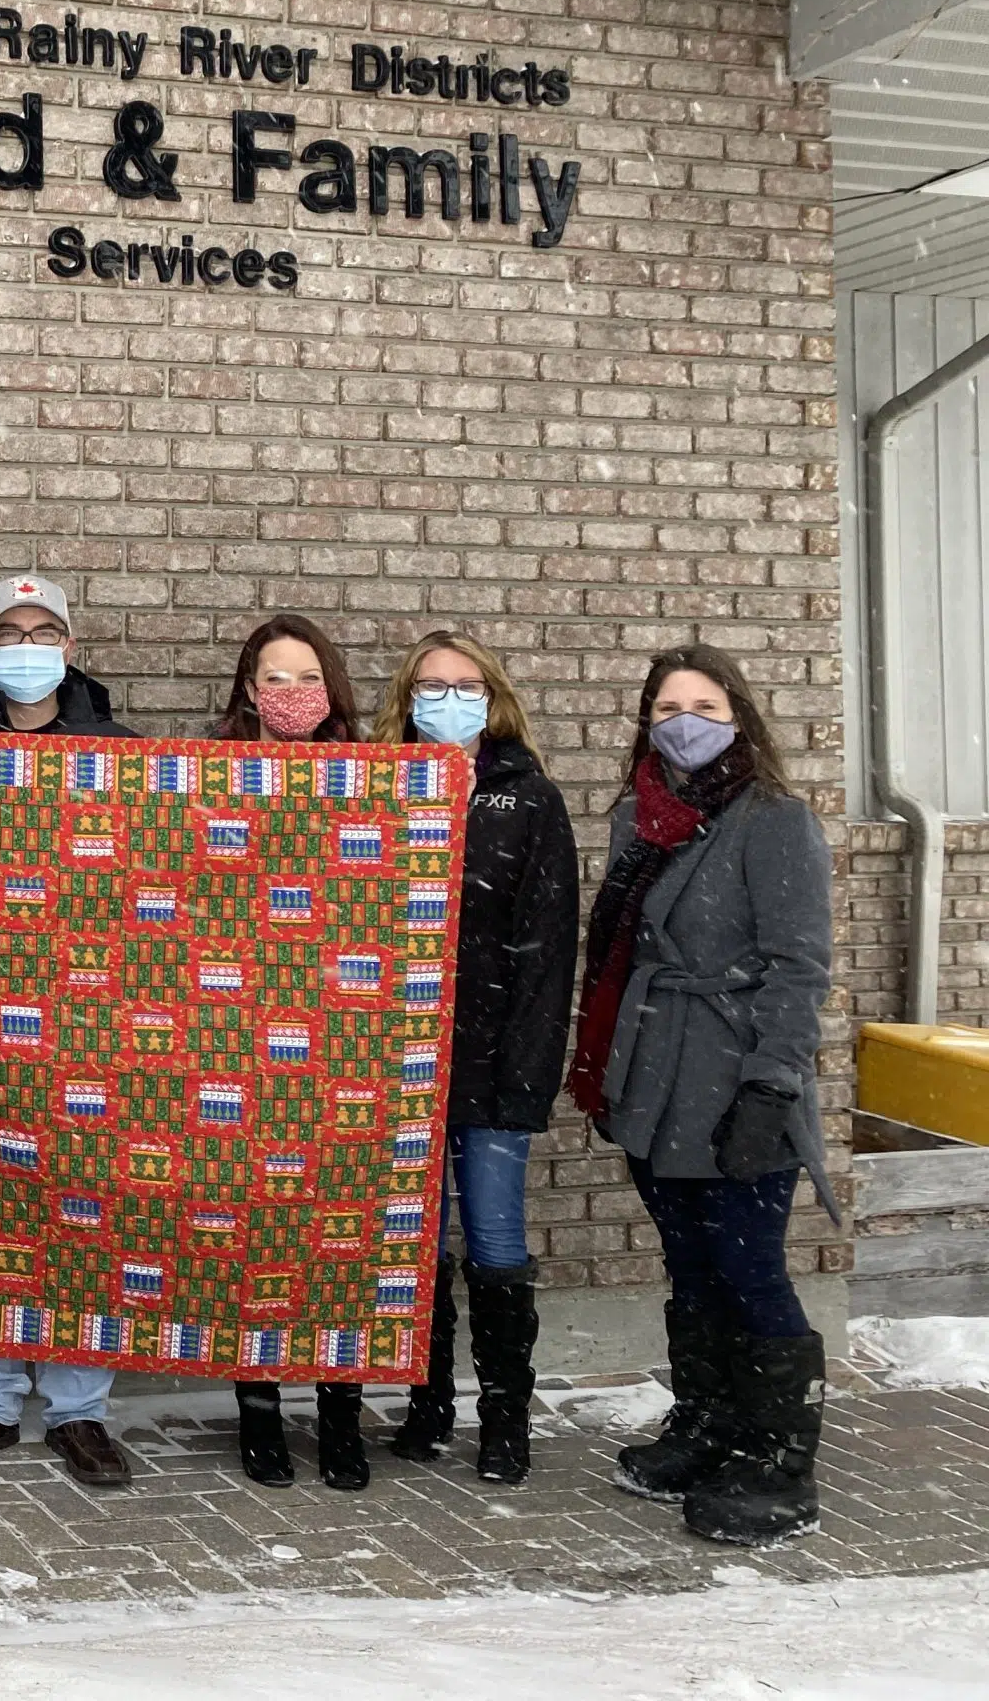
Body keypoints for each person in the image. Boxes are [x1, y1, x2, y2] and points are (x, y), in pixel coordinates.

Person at [571, 645, 836, 1549]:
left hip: (736, 1078)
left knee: (748, 1264)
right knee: (688, 1263)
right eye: (666, 707)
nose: (685, 722)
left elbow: (800, 970)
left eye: (705, 705)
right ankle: (712, 1421)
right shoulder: (638, 820)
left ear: (739, 718)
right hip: (655, 1074)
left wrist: (771, 1086)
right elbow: (615, 954)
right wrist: (608, 1065)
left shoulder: (774, 820)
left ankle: (779, 1454)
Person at [0, 574, 137, 1492]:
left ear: (71, 648)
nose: (27, 645)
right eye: (9, 632)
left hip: (93, 1013)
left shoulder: (123, 755)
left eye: (46, 631)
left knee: (87, 1199)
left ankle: (81, 1411)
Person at [372, 633, 579, 1483]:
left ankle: (505, 1419)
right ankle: (427, 1403)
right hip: (400, 1061)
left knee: (494, 1236)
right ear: (406, 699)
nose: (448, 700)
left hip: (495, 1059)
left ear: (492, 697)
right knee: (420, 1242)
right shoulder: (380, 788)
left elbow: (548, 948)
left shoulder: (528, 798)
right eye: (431, 686)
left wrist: (527, 1075)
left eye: (465, 686)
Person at [214, 613, 371, 1490]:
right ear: (247, 689)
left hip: (348, 1032)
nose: (289, 693)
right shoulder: (214, 775)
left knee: (338, 1220)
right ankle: (260, 1410)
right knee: (253, 1224)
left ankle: (341, 1411)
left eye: (305, 676)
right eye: (272, 678)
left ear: (332, 685)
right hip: (241, 1031)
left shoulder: (378, 778)